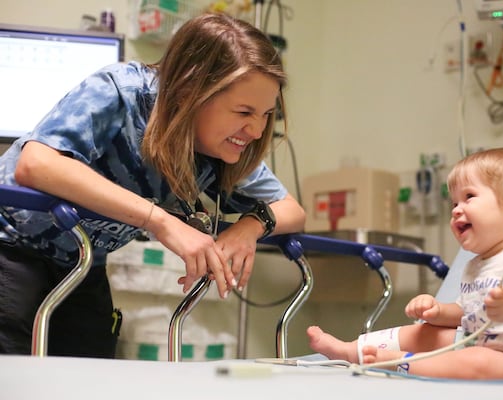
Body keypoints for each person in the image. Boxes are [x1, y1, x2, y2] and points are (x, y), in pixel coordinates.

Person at [0, 13, 305, 358]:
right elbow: (37, 164)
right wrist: (160, 221)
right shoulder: (121, 93)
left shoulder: (220, 147)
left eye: (266, 114)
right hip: (11, 243)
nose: (255, 131)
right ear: (191, 92)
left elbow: (292, 210)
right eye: (243, 112)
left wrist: (249, 228)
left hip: (82, 263)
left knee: (89, 374)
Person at [307, 147, 503, 380]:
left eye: (469, 197)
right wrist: (438, 311)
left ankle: (394, 360)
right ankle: (349, 350)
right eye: (454, 202)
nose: (456, 209)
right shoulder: (477, 264)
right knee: (429, 333)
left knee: (482, 361)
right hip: (478, 346)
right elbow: (467, 313)